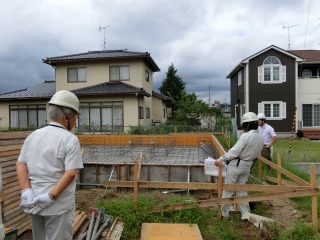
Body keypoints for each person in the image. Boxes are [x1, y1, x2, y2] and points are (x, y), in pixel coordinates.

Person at [16, 90, 83, 240]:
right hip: (58, 206)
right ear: (67, 117)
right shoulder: (70, 139)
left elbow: (21, 163)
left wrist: (26, 190)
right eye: (75, 117)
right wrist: (51, 197)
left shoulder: (33, 136)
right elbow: (71, 173)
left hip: (34, 202)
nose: (75, 122)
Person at [214, 112, 264, 218]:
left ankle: (224, 215)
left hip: (236, 165)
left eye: (244, 126)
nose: (243, 128)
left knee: (228, 190)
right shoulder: (260, 137)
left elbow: (234, 152)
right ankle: (246, 215)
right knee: (241, 190)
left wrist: (220, 159)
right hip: (247, 166)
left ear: (248, 125)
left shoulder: (246, 136)